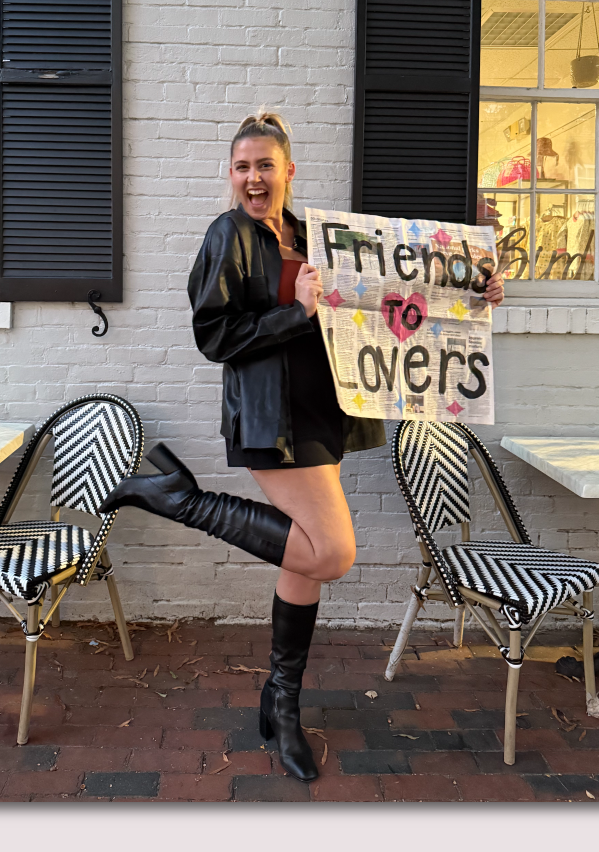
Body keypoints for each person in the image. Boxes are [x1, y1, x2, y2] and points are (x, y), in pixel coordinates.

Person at [101, 109, 505, 781]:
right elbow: (215, 336)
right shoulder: (227, 235)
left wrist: (475, 289)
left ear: (289, 171)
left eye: (265, 165)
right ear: (229, 175)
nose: (254, 178)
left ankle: (280, 702)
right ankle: (179, 498)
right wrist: (298, 313)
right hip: (271, 420)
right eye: (242, 167)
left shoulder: (317, 235)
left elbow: (395, 292)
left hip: (324, 413)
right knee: (333, 552)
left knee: (302, 562)